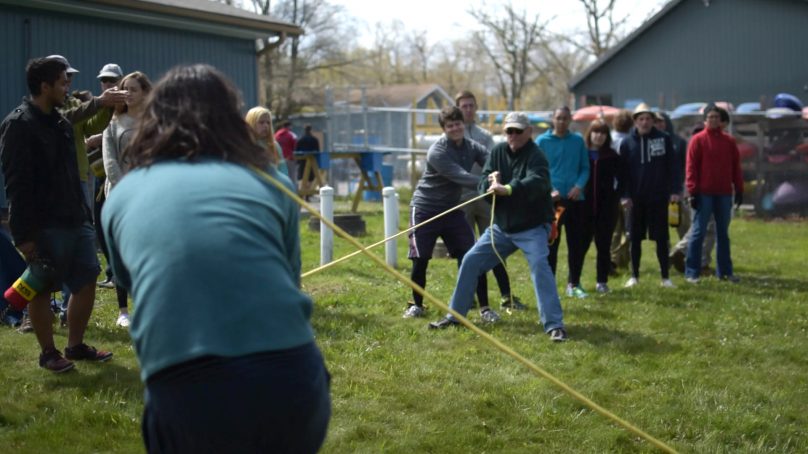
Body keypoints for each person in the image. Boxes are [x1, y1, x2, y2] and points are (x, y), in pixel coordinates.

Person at [101, 64, 330, 452]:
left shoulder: (121, 197)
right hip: (293, 380)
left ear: (156, 119)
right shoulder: (274, 181)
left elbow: (129, 279)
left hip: (185, 389)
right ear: (230, 118)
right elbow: (291, 279)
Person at [0, 57, 113, 372]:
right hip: (44, 224)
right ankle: (48, 352)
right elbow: (16, 183)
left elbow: (71, 171)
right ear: (44, 86)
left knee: (88, 277)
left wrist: (83, 213)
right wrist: (23, 236)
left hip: (76, 218)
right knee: (42, 285)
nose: (69, 87)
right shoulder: (18, 125)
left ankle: (75, 346)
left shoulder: (63, 122)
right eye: (63, 82)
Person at [429, 112, 567, 342]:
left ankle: (554, 325)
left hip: (532, 227)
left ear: (529, 132)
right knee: (471, 261)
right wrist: (489, 185)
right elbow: (483, 180)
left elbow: (538, 182)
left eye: (518, 131)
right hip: (503, 227)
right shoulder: (498, 151)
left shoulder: (537, 156)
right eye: (509, 131)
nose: (512, 135)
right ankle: (455, 316)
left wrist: (508, 189)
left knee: (540, 267)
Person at [403, 106, 498, 322]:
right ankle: (417, 305)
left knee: (473, 256)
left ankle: (485, 309)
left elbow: (492, 161)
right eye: (450, 125)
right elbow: (461, 177)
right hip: (425, 209)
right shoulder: (437, 152)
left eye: (458, 124)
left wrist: (500, 174)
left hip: (451, 210)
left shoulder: (472, 146)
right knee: (421, 260)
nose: (455, 128)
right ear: (444, 129)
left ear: (463, 124)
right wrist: (488, 182)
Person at [455, 90, 523, 310]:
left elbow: (494, 163)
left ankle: (506, 296)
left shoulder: (485, 136)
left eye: (471, 105)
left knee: (494, 245)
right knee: (465, 249)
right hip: (461, 199)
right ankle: (468, 297)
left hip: (485, 198)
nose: (468, 109)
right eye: (463, 106)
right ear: (458, 109)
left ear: (476, 108)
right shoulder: (451, 136)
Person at [102, 71, 152, 328]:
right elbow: (110, 161)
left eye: (133, 89)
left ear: (145, 92)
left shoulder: (155, 124)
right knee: (120, 254)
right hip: (120, 197)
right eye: (125, 89)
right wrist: (125, 187)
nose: (128, 93)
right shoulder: (113, 125)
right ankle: (123, 310)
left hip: (149, 196)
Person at [619, 103, 680, 288]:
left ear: (653, 121)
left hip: (659, 197)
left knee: (662, 238)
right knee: (635, 239)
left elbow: (673, 167)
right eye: (641, 119)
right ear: (635, 121)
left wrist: (675, 191)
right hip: (635, 200)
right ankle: (634, 276)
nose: (644, 122)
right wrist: (624, 195)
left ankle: (665, 277)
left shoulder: (664, 139)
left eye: (648, 119)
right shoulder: (627, 143)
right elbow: (622, 172)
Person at [684, 104, 743, 283]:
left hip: (724, 193)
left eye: (716, 117)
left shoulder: (729, 141)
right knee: (698, 231)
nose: (713, 120)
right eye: (710, 117)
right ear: (705, 120)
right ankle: (692, 272)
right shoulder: (698, 140)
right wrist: (692, 191)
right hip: (703, 193)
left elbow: (736, 167)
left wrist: (739, 188)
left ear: (721, 121)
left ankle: (725, 272)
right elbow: (691, 167)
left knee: (722, 233)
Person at [536, 106, 590, 298]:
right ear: (552, 119)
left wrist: (579, 186)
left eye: (565, 118)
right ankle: (550, 287)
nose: (561, 122)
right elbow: (537, 170)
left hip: (575, 200)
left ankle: (574, 283)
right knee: (552, 244)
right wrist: (549, 189)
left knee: (577, 243)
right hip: (553, 202)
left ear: (570, 120)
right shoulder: (542, 141)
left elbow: (585, 167)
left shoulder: (577, 141)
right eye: (558, 118)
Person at [92, 63, 125, 290]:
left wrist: (97, 137)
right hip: (99, 172)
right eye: (104, 80)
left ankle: (122, 273)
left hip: (121, 174)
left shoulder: (125, 105)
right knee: (100, 223)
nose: (108, 84)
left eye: (112, 80)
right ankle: (112, 272)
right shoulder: (98, 106)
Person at [581, 120, 622, 294]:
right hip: (583, 208)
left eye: (603, 133)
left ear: (607, 136)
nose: (599, 136)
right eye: (595, 132)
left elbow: (622, 179)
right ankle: (573, 281)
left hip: (607, 209)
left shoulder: (612, 156)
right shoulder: (582, 154)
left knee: (603, 246)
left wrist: (615, 197)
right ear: (590, 134)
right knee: (580, 246)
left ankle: (602, 281)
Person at [610, 109, 633, 271]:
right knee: (629, 228)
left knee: (615, 229)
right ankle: (623, 258)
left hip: (611, 189)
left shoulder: (609, 139)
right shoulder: (630, 141)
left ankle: (613, 257)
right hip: (626, 189)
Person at [245, 106, 288, 176]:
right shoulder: (244, 146)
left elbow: (283, 171)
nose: (266, 126)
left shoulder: (274, 146)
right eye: (261, 122)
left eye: (268, 123)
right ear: (251, 123)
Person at [275, 119, 298, 184]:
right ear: (289, 126)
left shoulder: (277, 134)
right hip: (289, 158)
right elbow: (295, 145)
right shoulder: (291, 134)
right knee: (292, 177)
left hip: (279, 158)